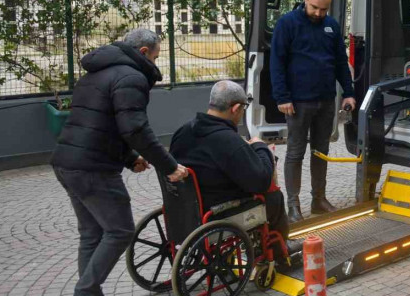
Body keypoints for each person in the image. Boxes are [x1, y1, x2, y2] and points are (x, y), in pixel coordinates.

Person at [51, 28, 188, 296]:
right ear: (144, 52)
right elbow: (135, 129)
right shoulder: (131, 77)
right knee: (120, 231)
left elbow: (102, 124)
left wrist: (130, 158)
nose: (155, 64)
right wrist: (169, 166)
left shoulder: (95, 73)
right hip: (94, 168)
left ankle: (88, 292)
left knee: (91, 234)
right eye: (156, 58)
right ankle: (85, 290)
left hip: (67, 162)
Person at [170, 80, 292, 245]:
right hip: (216, 213)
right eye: (243, 108)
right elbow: (261, 181)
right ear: (235, 109)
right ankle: (278, 251)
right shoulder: (227, 140)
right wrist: (260, 147)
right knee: (274, 198)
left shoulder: (182, 132)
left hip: (185, 211)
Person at [271, 0, 355, 222]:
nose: (318, 13)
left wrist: (348, 92)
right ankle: (293, 206)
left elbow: (340, 61)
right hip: (298, 103)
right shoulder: (287, 24)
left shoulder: (331, 26)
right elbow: (277, 63)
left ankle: (319, 199)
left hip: (326, 100)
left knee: (321, 151)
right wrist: (282, 97)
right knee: (295, 153)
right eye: (314, 7)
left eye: (323, 9)